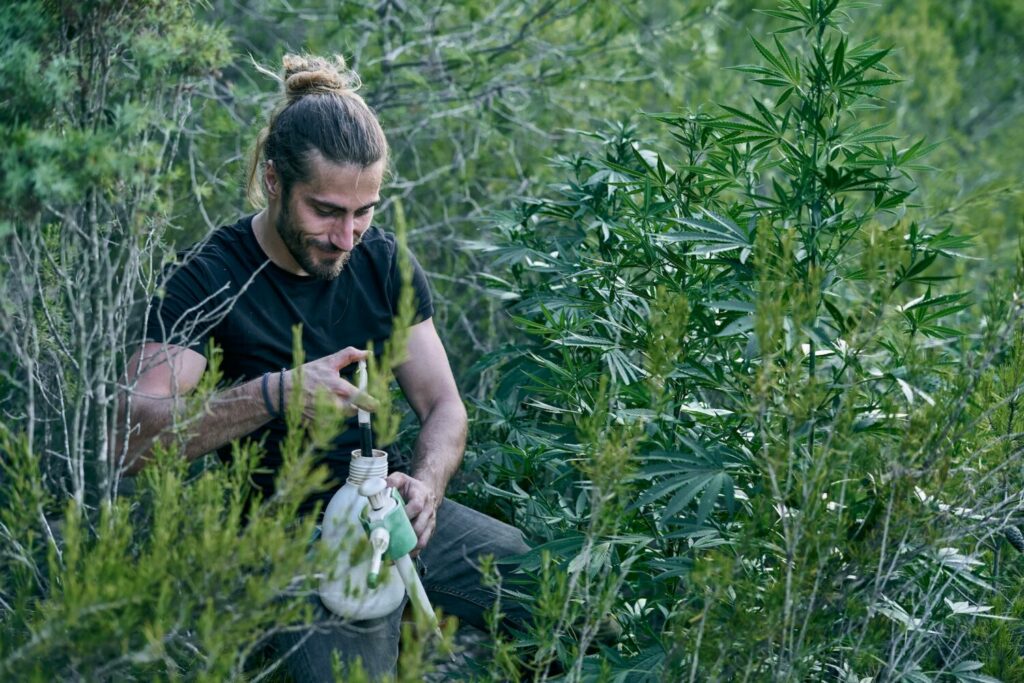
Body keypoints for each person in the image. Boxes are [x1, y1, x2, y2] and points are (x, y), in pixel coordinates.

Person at [122, 53, 529, 680]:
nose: (346, 237)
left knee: (577, 607)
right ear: (274, 180)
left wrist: (426, 487)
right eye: (326, 211)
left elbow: (445, 407)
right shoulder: (207, 277)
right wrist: (274, 394)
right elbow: (131, 436)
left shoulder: (382, 261)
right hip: (288, 539)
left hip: (390, 511)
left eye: (363, 211)